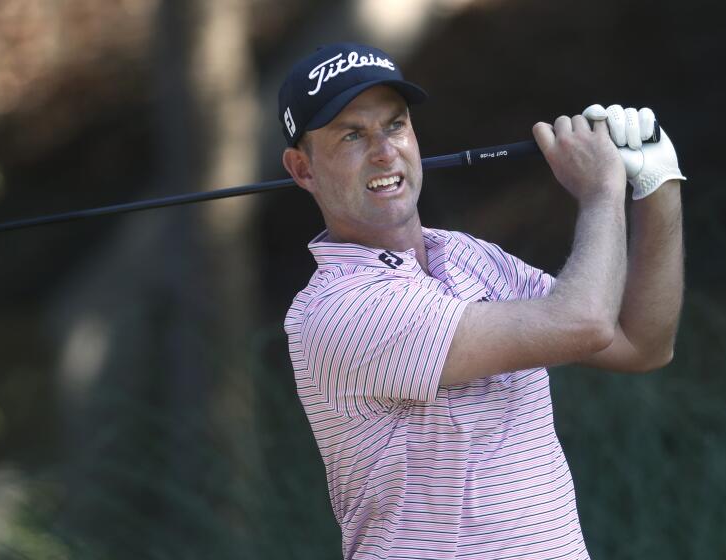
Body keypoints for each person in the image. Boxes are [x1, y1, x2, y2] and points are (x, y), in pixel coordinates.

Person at [279, 42, 685, 560]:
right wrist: (601, 191)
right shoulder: (336, 310)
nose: (384, 151)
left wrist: (656, 182)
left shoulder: (471, 257)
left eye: (395, 125)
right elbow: (583, 322)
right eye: (352, 135)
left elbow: (640, 344)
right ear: (302, 169)